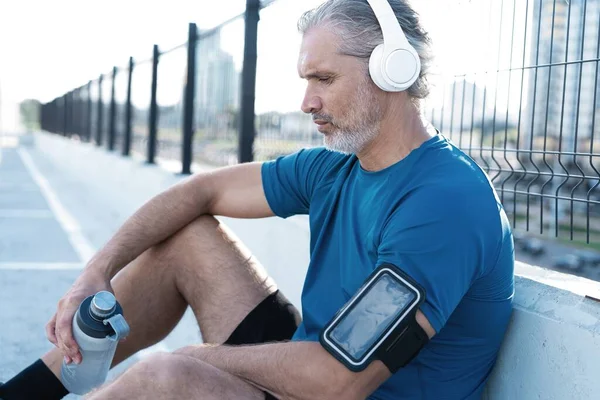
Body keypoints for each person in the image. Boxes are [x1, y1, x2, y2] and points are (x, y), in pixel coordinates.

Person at [0, 0, 514, 399]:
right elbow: (201, 190)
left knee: (165, 378)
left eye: (324, 79)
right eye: (307, 80)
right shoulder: (334, 165)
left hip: (339, 389)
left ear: (392, 71)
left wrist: (203, 359)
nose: (307, 102)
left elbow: (340, 380)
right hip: (307, 371)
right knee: (188, 239)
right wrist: (98, 270)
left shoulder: (445, 203)